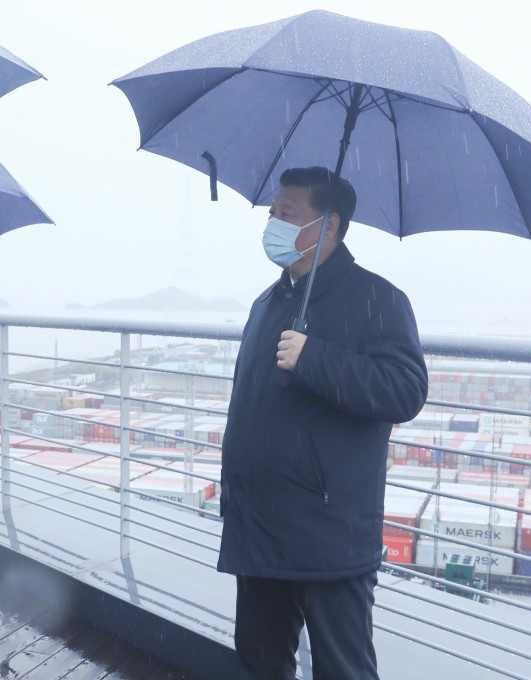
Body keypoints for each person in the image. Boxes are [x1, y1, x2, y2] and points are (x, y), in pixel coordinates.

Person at [218, 167, 428, 679]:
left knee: (342, 670)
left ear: (328, 225)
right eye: (271, 213)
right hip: (260, 526)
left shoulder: (379, 300)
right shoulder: (267, 303)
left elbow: (404, 391)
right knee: (259, 663)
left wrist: (314, 358)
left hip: (329, 534)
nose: (271, 224)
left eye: (285, 214)